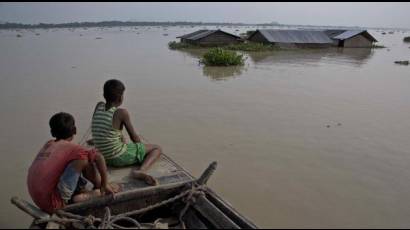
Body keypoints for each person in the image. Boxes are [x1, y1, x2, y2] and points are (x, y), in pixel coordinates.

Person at [27, 112, 120, 214]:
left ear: (52, 133)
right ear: (75, 130)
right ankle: (97, 190)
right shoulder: (74, 149)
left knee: (77, 159)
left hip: (38, 199)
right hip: (54, 204)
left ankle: (87, 190)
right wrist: (105, 183)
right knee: (84, 159)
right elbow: (99, 157)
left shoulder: (49, 144)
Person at [91, 79, 162, 185]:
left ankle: (125, 151)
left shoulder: (98, 106)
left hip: (101, 157)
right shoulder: (121, 113)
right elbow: (134, 138)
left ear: (104, 95)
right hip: (116, 157)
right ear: (120, 98)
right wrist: (141, 149)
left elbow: (103, 127)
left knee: (122, 139)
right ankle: (140, 171)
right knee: (157, 148)